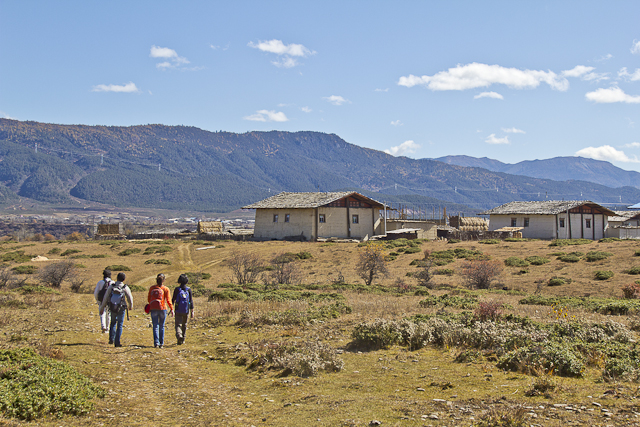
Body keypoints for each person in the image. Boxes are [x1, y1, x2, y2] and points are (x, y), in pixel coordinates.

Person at [99, 272, 133, 348]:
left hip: (113, 307)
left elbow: (105, 298)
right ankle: (117, 342)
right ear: (124, 279)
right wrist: (130, 306)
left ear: (117, 278)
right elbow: (130, 298)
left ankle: (111, 338)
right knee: (120, 325)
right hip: (121, 307)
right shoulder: (125, 287)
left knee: (113, 322)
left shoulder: (111, 286)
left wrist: (102, 308)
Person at [148, 273, 173, 348]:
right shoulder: (166, 289)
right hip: (163, 308)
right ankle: (161, 343)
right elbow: (168, 300)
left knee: (155, 325)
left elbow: (149, 299)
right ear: (164, 280)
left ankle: (156, 343)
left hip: (153, 309)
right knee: (162, 326)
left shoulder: (152, 288)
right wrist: (172, 309)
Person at [172, 274, 194, 345]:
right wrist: (192, 311)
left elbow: (173, 299)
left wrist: (171, 308)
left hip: (178, 310)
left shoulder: (177, 289)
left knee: (178, 324)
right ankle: (183, 339)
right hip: (186, 310)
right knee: (184, 324)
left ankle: (179, 336)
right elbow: (191, 301)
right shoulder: (189, 289)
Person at [93, 269, 113, 333]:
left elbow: (96, 292)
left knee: (102, 313)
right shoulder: (113, 282)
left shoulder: (100, 282)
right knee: (108, 314)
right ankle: (108, 328)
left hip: (101, 300)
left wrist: (97, 300)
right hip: (110, 301)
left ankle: (103, 326)